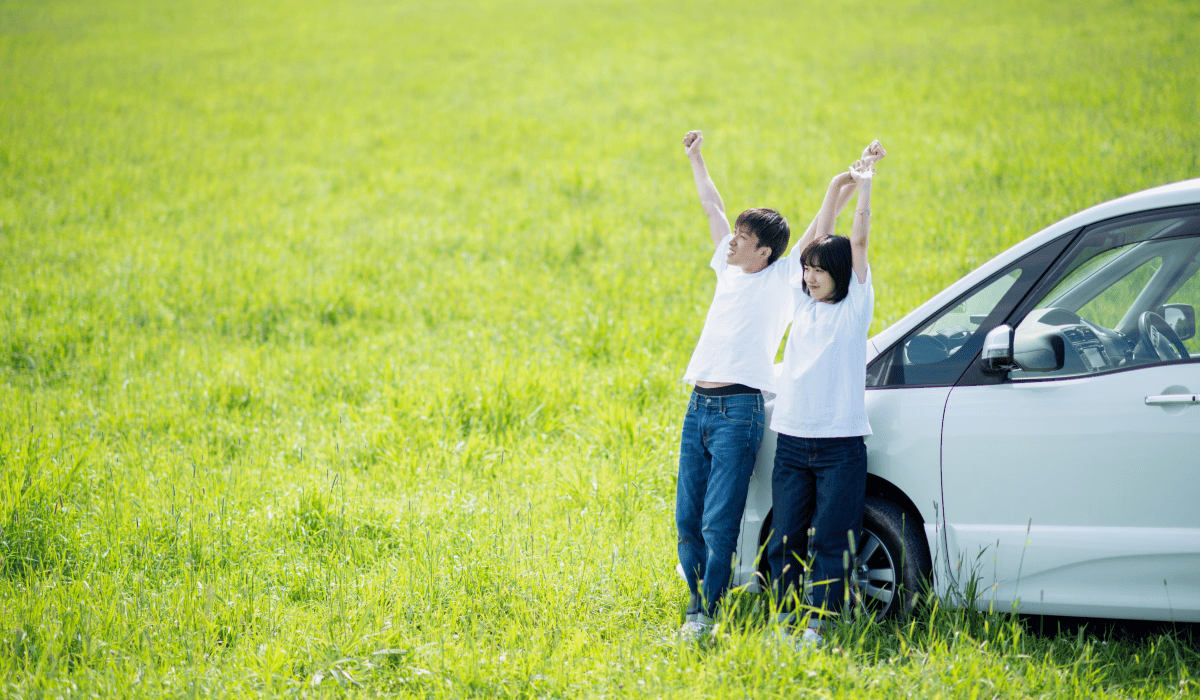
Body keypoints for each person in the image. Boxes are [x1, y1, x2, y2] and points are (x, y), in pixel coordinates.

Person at [674, 129, 794, 639]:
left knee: (717, 522)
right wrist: (697, 157)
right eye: (735, 234)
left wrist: (849, 184)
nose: (731, 240)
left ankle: (703, 614)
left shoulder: (780, 280)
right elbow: (711, 207)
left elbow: (817, 230)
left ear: (764, 252)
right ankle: (698, 595)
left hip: (738, 412)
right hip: (698, 405)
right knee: (686, 519)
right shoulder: (729, 272)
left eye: (743, 239)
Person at [767, 141, 886, 647]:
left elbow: (857, 244)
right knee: (786, 540)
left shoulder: (853, 307)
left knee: (833, 541)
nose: (809, 276)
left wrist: (865, 188)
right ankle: (783, 621)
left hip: (840, 445)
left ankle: (817, 625)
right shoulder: (803, 303)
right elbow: (814, 240)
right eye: (807, 270)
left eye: (818, 270)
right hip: (791, 440)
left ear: (839, 276)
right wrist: (833, 188)